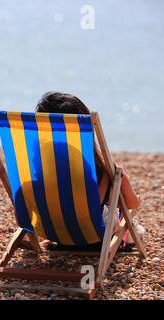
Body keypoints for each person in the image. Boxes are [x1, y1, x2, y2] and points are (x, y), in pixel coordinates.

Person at [35, 92, 143, 251]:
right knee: (123, 213)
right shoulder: (101, 170)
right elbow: (132, 204)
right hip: (94, 237)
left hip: (53, 232)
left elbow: (22, 217)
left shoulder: (36, 168)